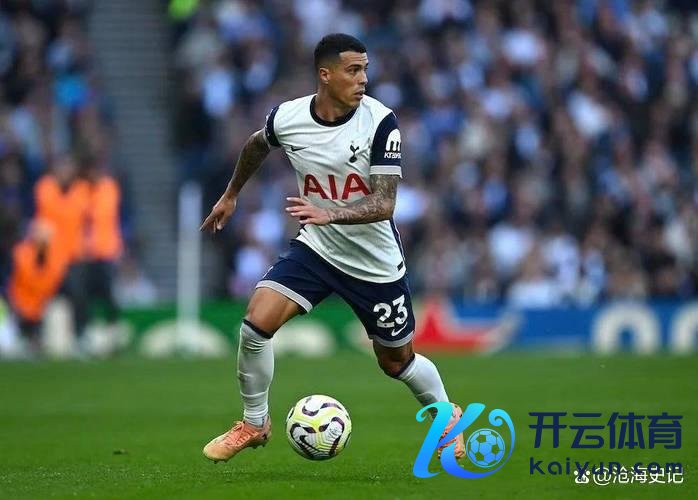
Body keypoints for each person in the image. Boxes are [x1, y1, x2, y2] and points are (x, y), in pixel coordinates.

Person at [200, 33, 465, 462]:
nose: (363, 79)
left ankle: (447, 416)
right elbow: (256, 144)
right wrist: (231, 195)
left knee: (396, 362)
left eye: (365, 70)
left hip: (374, 263)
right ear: (325, 75)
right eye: (353, 70)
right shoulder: (288, 117)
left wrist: (330, 213)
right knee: (255, 324)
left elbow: (385, 203)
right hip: (318, 249)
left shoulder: (380, 122)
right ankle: (254, 422)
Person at [7, 219, 69, 354]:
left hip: (43, 305)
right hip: (22, 304)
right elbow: (26, 280)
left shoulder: (56, 257)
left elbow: (52, 282)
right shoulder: (21, 253)